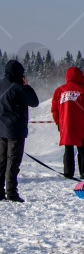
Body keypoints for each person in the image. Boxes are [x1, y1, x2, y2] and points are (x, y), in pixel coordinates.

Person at [0, 60, 39, 202]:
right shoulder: (18, 88)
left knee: (1, 162)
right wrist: (27, 86)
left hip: (1, 130)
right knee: (13, 163)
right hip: (15, 131)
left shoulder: (1, 84)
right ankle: (11, 193)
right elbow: (34, 102)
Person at [51, 66, 84, 180]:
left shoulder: (59, 90)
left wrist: (58, 123)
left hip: (66, 124)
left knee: (68, 148)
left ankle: (68, 173)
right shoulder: (83, 90)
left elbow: (54, 109)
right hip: (81, 125)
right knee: (81, 149)